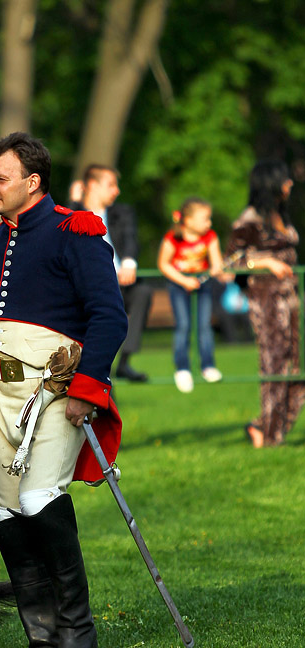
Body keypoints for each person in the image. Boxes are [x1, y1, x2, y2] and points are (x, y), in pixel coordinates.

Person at [0, 132, 128, 648]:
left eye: (0, 178)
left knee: (41, 498)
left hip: (57, 392)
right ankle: (42, 637)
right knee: (10, 512)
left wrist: (87, 389)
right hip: (2, 392)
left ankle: (77, 634)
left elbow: (110, 317)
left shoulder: (77, 233)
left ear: (32, 181)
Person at [225, 159, 304, 448]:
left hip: (290, 299)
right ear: (270, 183)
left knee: (295, 368)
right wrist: (266, 261)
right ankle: (269, 435)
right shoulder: (250, 219)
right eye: (284, 179)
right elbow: (230, 261)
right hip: (266, 301)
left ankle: (265, 428)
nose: (290, 183)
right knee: (274, 364)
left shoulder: (280, 214)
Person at [71, 165, 152, 382]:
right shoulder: (72, 214)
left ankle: (124, 362)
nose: (116, 190)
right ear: (91, 186)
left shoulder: (122, 213)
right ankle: (100, 378)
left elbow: (130, 239)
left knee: (143, 292)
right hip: (91, 289)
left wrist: (129, 262)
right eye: (111, 185)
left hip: (121, 283)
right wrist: (74, 201)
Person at [157, 197, 225, 393]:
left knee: (204, 325)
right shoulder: (172, 238)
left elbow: (216, 262)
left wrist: (216, 269)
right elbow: (163, 264)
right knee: (183, 325)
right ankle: (182, 368)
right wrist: (184, 280)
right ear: (188, 220)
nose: (209, 223)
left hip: (202, 285)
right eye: (205, 219)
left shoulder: (210, 236)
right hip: (179, 286)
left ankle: (208, 365)